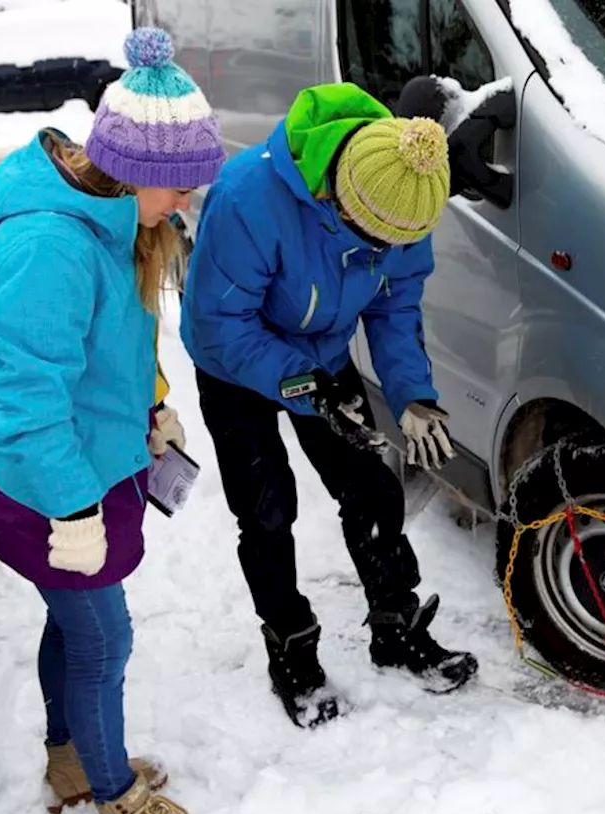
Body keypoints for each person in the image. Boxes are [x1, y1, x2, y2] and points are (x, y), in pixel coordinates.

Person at [0, 27, 225, 814]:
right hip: (48, 489)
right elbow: (27, 402)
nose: (183, 202)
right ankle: (117, 800)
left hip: (95, 469)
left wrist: (153, 407)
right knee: (104, 637)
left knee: (74, 625)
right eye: (178, 186)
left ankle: (73, 760)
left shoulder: (121, 223)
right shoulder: (49, 244)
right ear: (138, 172)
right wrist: (74, 506)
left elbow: (118, 345)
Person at [180, 81, 477, 729]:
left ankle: (394, 630)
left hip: (325, 353)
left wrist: (413, 396)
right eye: (374, 238)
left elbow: (395, 305)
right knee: (266, 508)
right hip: (235, 364)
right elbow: (217, 326)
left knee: (371, 487)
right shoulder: (246, 199)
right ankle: (291, 649)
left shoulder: (404, 195)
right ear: (337, 195)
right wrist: (305, 383)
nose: (383, 252)